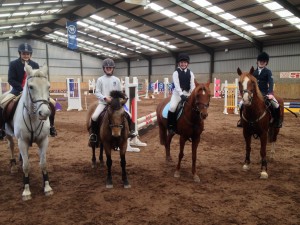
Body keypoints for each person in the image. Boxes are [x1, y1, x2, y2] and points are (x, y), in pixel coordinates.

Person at [0, 43, 57, 140]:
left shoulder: (35, 65)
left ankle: (51, 126)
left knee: (52, 103)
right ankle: (2, 128)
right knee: (3, 104)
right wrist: (22, 89)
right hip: (17, 90)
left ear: (30, 55)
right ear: (20, 54)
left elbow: (38, 79)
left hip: (34, 91)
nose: (26, 55)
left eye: (28, 54)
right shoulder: (13, 64)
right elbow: (11, 79)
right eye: (24, 53)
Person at [89, 58, 136, 143]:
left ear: (113, 69)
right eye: (107, 68)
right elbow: (97, 92)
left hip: (115, 105)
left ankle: (130, 132)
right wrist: (104, 98)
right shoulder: (100, 79)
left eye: (110, 68)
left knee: (129, 115)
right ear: (104, 69)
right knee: (94, 116)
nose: (109, 69)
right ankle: (94, 134)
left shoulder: (116, 80)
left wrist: (123, 97)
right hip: (103, 103)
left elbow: (119, 92)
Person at [237, 51, 282, 128]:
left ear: (266, 63)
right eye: (260, 61)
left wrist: (270, 93)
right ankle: (242, 120)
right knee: (241, 104)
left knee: (276, 105)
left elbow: (271, 82)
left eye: (264, 61)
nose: (262, 62)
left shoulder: (268, 72)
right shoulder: (253, 72)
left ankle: (277, 121)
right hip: (254, 94)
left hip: (265, 93)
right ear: (257, 62)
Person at [167, 53, 196, 134]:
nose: (183, 64)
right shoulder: (176, 73)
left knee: (195, 107)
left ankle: (195, 124)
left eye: (185, 62)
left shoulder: (191, 73)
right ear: (179, 63)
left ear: (187, 63)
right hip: (177, 94)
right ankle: (170, 126)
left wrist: (192, 94)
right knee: (172, 107)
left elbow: (192, 85)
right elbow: (177, 85)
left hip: (188, 93)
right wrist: (181, 95)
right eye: (181, 62)